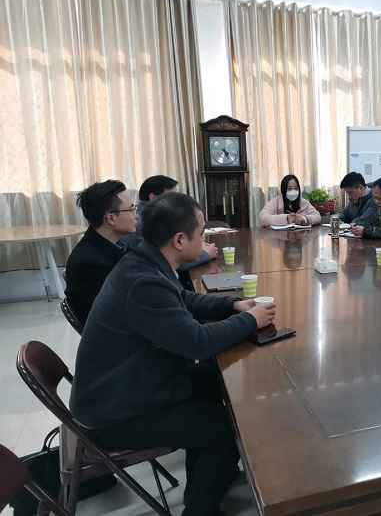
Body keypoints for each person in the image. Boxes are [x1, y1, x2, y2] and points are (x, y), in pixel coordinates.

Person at [69, 192, 275, 516]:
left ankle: (208, 479)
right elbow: (197, 342)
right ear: (180, 240)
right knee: (225, 428)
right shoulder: (143, 282)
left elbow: (182, 300)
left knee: (217, 380)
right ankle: (200, 509)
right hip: (116, 410)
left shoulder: (146, 259)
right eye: (201, 233)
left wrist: (233, 305)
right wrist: (249, 320)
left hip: (134, 381)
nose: (204, 239)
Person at [64, 180, 137, 325]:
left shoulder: (115, 245)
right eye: (131, 209)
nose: (136, 214)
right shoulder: (89, 264)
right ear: (111, 218)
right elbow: (122, 314)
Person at [122, 175, 218, 269]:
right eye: (171, 197)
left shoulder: (152, 216)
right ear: (153, 197)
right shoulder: (145, 223)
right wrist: (206, 254)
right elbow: (170, 260)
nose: (176, 203)